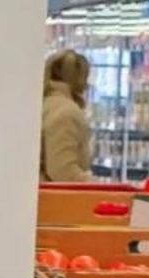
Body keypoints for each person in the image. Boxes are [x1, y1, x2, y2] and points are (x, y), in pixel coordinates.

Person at [42, 50, 93, 182]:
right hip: (53, 199)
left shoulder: (44, 104)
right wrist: (99, 187)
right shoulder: (67, 113)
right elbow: (63, 171)